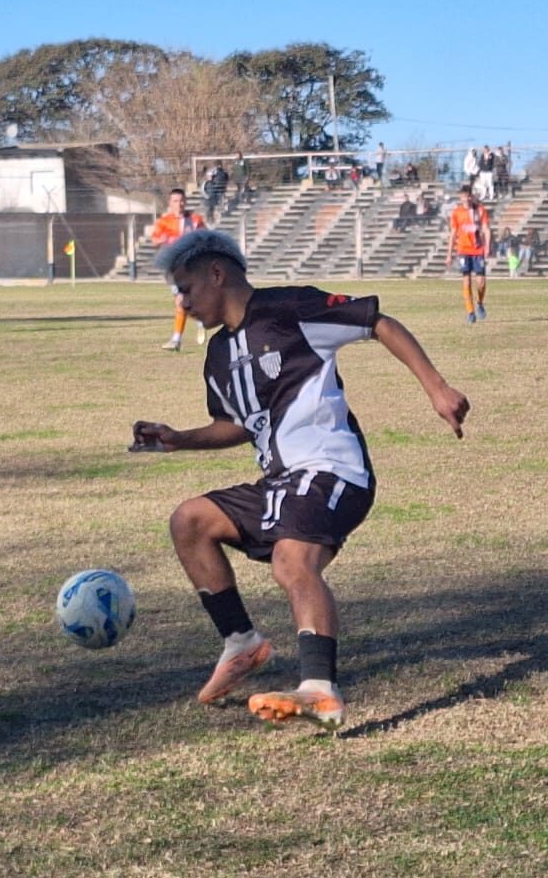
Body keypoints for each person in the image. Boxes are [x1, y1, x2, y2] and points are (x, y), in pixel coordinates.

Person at [130, 230, 469, 732]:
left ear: (217, 274)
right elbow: (240, 425)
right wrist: (178, 438)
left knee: (293, 561)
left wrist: (437, 388)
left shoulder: (291, 308)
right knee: (190, 521)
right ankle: (242, 642)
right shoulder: (218, 356)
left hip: (333, 469)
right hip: (282, 481)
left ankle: (320, 690)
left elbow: (378, 323)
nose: (182, 302)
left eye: (186, 288)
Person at [150, 189, 207, 351]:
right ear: (170, 203)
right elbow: (154, 240)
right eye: (175, 201)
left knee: (181, 300)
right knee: (183, 301)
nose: (179, 204)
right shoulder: (165, 221)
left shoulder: (195, 220)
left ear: (185, 201)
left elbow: (206, 237)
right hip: (172, 268)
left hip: (190, 266)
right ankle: (198, 320)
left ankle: (177, 340)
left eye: (181, 200)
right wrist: (164, 239)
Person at [448, 184, 492, 323]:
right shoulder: (457, 212)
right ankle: (470, 312)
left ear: (471, 196)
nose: (465, 199)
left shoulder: (480, 210)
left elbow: (486, 229)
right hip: (463, 250)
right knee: (466, 282)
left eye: (467, 196)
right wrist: (449, 253)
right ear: (460, 198)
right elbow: (453, 233)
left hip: (478, 250)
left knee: (481, 282)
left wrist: (487, 246)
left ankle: (479, 302)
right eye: (463, 197)